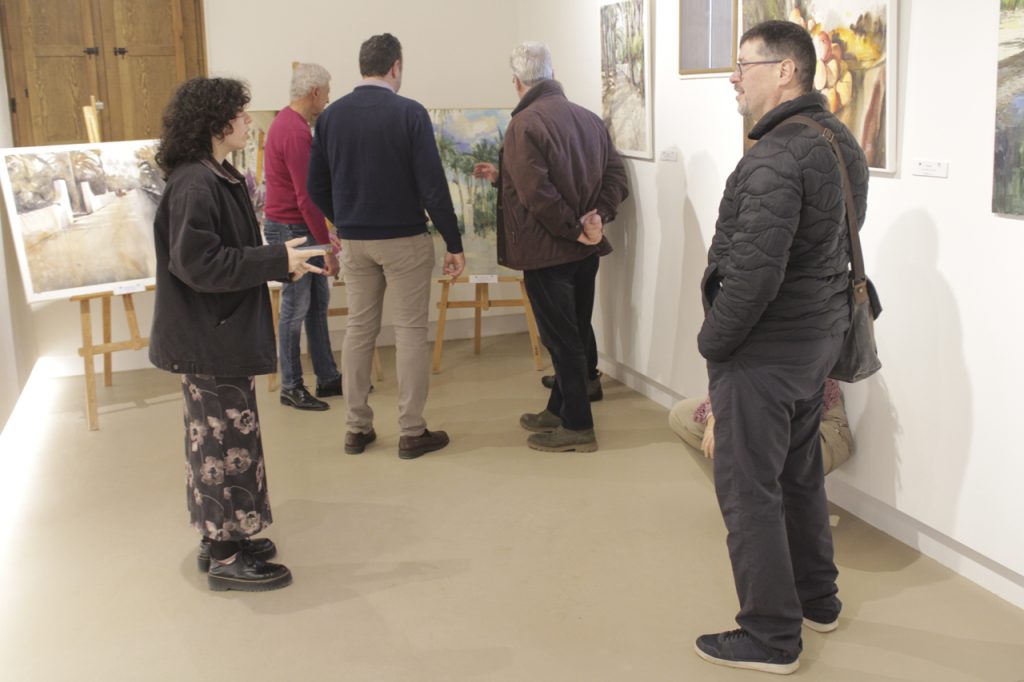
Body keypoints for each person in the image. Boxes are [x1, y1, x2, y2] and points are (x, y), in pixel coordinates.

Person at [693, 21, 869, 674]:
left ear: (786, 71)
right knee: (798, 478)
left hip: (765, 353)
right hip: (813, 345)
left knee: (750, 493)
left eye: (745, 65)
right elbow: (836, 240)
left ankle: (770, 636)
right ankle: (817, 600)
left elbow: (752, 276)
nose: (735, 78)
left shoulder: (774, 157)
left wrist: (713, 343)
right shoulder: (838, 141)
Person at [149, 77, 323, 592]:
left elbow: (224, 253)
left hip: (218, 332)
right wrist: (275, 259)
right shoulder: (196, 183)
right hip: (211, 337)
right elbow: (199, 264)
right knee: (222, 446)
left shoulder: (214, 175)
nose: (249, 121)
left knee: (226, 439)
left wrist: (279, 262)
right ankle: (226, 557)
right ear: (217, 123)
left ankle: (224, 536)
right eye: (241, 114)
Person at [308, 33, 465, 460]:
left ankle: (356, 428)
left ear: (363, 66)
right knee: (410, 331)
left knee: (359, 329)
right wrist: (453, 242)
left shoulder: (331, 117)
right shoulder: (409, 113)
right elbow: (433, 186)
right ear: (395, 67)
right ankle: (411, 432)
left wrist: (344, 218)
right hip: (404, 239)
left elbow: (314, 185)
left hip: (355, 242)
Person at [473, 42, 628, 453]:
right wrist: (597, 218)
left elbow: (537, 194)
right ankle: (558, 409)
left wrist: (575, 229)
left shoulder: (524, 124)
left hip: (548, 253)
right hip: (584, 251)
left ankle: (578, 426)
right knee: (572, 332)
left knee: (561, 340)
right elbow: (616, 176)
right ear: (552, 73)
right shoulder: (589, 119)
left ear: (516, 81)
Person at [263, 62, 343, 412]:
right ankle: (291, 386)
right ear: (314, 92)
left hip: (296, 226)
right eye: (327, 92)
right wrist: (326, 246)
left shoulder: (288, 123)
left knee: (317, 304)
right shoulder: (294, 132)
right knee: (295, 309)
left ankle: (327, 376)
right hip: (292, 230)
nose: (328, 99)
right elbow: (306, 197)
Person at [668, 378, 852, 475]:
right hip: (776, 421)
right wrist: (713, 417)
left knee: (750, 434)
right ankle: (740, 497)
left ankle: (768, 504)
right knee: (683, 414)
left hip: (821, 428)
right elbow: (723, 375)